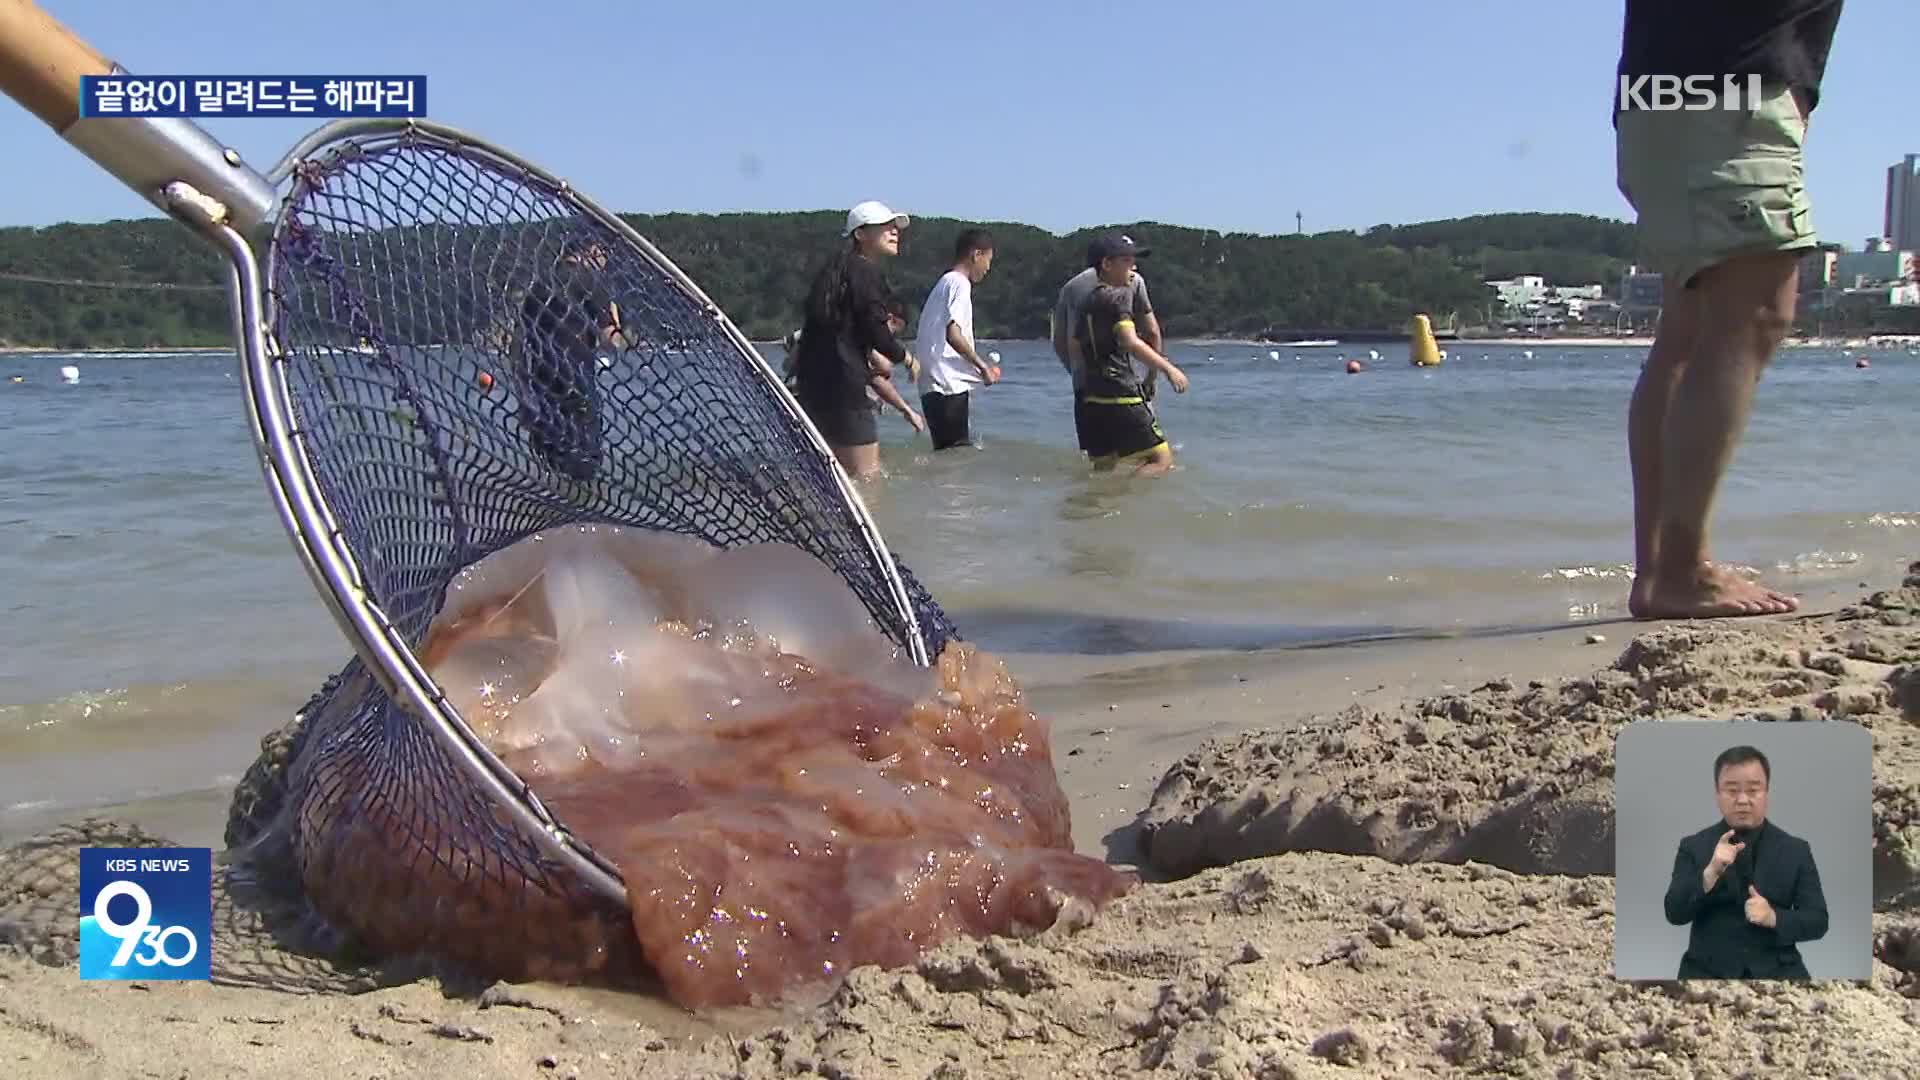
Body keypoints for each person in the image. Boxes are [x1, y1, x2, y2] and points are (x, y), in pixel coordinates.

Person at [1615, 0, 1843, 619]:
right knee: (1753, 314)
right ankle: (1681, 570)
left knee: (1688, 332)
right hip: (1730, 98)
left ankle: (1663, 570)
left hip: (1669, 94)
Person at [1662, 745, 1828, 979]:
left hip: (1780, 973)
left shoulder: (1796, 850)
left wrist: (1774, 917)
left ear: (1767, 792)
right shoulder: (1693, 846)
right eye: (1731, 791)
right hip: (1705, 974)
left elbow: (1818, 921)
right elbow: (1674, 913)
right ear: (1717, 794)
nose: (1742, 800)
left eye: (1753, 790)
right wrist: (1710, 873)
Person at [792, 201, 913, 479]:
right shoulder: (865, 271)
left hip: (813, 386)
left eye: (895, 227)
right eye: (885, 227)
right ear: (860, 234)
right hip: (845, 388)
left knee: (832, 475)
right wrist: (906, 358)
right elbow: (877, 331)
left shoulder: (832, 273)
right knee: (867, 477)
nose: (894, 231)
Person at [516, 233, 627, 482]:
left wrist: (522, 391)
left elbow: (520, 341)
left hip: (541, 385)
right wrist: (613, 312)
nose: (605, 264)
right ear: (594, 250)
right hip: (576, 384)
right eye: (605, 256)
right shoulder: (590, 280)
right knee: (584, 467)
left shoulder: (539, 284)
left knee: (552, 464)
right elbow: (612, 340)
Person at [1070, 275, 1189, 477]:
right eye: (1126, 261)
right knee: (1161, 458)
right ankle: (1126, 494)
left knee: (1104, 466)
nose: (1132, 270)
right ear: (1107, 265)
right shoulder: (1119, 297)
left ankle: (1103, 504)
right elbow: (1131, 342)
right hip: (1122, 393)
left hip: (1091, 397)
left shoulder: (1086, 301)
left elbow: (1073, 345)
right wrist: (1168, 369)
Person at [915, 228, 999, 450]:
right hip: (947, 385)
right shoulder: (960, 283)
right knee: (956, 458)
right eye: (988, 260)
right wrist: (982, 367)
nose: (988, 268)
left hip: (932, 384)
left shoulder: (943, 283)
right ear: (976, 255)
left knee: (946, 455)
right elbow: (953, 335)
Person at [1052, 234, 1162, 402]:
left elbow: (1060, 342)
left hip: (1086, 390)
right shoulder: (1133, 282)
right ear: (1106, 263)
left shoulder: (1070, 288)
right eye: (1127, 260)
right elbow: (1152, 332)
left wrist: (1076, 374)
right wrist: (1151, 378)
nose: (1134, 267)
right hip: (1127, 387)